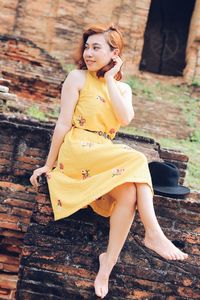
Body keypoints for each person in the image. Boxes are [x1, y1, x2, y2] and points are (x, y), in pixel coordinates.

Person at [30, 23, 188, 299]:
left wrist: (112, 79)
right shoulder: (77, 77)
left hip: (103, 148)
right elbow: (63, 123)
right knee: (137, 158)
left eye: (96, 47)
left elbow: (124, 119)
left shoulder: (123, 88)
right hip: (78, 147)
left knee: (128, 192)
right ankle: (153, 233)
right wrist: (48, 164)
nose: (88, 53)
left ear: (114, 53)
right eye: (87, 47)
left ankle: (107, 265)